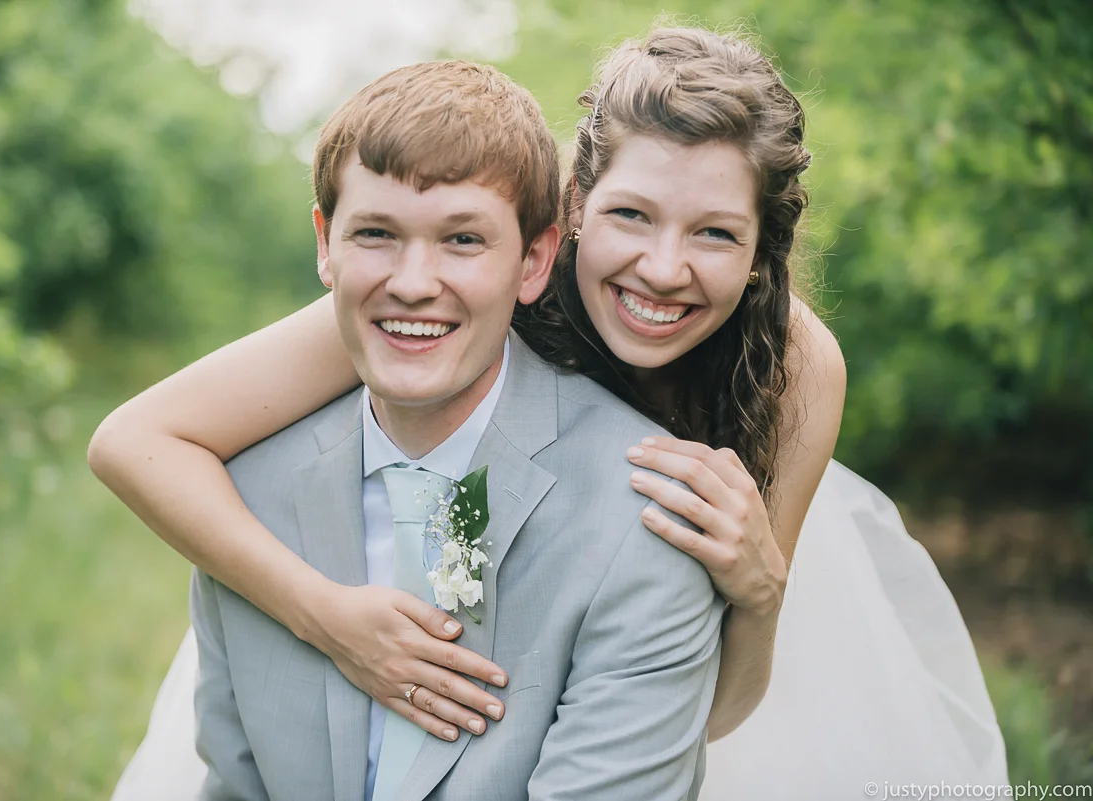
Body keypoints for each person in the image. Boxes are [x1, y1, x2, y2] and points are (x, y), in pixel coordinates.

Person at [90, 25, 1008, 800]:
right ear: (568, 216)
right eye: (633, 216)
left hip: (680, 662)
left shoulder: (798, 369)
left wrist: (760, 594)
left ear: (764, 250)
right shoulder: (456, 288)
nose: (662, 266)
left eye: (717, 233)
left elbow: (719, 711)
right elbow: (137, 440)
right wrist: (329, 616)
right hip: (433, 568)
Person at [187, 58, 724, 800]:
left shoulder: (647, 523)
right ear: (325, 243)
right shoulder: (244, 496)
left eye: (463, 240)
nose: (413, 281)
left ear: (535, 259)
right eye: (376, 232)